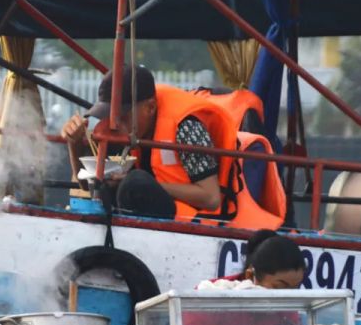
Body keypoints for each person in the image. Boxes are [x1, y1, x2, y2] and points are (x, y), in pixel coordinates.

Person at [61, 64, 285, 229]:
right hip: (145, 215)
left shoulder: (186, 128)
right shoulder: (117, 130)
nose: (115, 122)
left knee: (134, 185)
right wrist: (74, 144)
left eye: (124, 114)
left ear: (149, 107)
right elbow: (90, 186)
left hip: (197, 223)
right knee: (115, 187)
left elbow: (211, 197)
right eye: (109, 114)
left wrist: (152, 185)